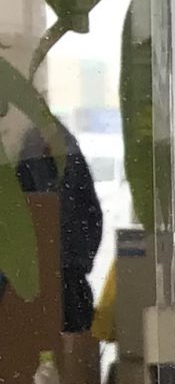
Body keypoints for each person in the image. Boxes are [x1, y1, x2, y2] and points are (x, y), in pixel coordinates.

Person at [0, 108, 104, 332]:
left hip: (54, 279)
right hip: (59, 276)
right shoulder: (42, 137)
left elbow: (50, 216)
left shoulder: (39, 141)